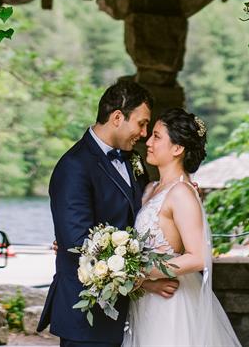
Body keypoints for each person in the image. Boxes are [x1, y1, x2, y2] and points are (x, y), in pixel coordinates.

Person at [38, 79, 179, 347]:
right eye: (141, 123)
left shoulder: (133, 159)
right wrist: (145, 283)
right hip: (88, 317)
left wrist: (178, 190)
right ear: (117, 117)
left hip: (131, 315)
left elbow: (144, 209)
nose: (145, 133)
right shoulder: (74, 167)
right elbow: (80, 246)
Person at [122, 108, 242, 347]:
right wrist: (141, 280)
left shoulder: (182, 194)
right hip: (146, 298)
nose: (148, 141)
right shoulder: (149, 188)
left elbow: (198, 258)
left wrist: (143, 271)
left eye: (157, 136)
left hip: (171, 303)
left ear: (177, 149)